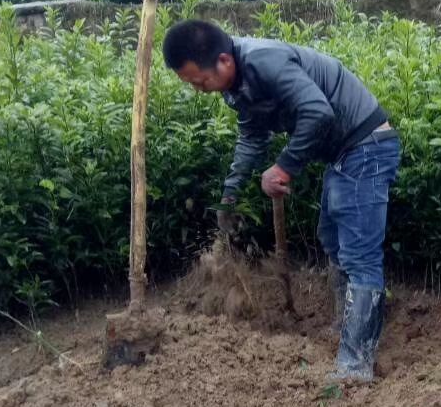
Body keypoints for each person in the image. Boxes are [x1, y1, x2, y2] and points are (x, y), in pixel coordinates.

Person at [162, 20, 401, 382]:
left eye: (199, 81)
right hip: (345, 153)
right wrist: (231, 193)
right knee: (334, 241)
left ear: (224, 60)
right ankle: (346, 328)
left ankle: (355, 364)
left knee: (358, 254)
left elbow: (318, 111)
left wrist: (284, 167)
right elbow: (252, 136)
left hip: (367, 147)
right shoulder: (237, 86)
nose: (200, 90)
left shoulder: (263, 62)